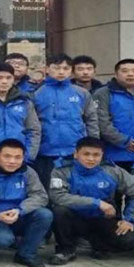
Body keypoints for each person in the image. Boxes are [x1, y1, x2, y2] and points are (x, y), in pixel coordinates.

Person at [46, 137, 134, 265]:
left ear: (102, 156)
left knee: (132, 242)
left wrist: (130, 219)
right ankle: (66, 249)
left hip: (103, 218)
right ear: (76, 154)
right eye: (86, 154)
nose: (91, 159)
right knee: (59, 210)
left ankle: (99, 245)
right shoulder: (62, 170)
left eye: (96, 155)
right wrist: (97, 203)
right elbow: (58, 196)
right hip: (75, 218)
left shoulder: (113, 171)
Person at [0, 139, 52, 267]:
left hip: (18, 215)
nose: (12, 161)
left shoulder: (28, 172)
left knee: (45, 214)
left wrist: (20, 210)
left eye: (17, 157)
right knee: (4, 240)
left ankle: (26, 254)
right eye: (7, 156)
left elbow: (40, 196)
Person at [31, 54, 100, 192]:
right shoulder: (37, 93)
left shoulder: (81, 93)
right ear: (47, 69)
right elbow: (31, 124)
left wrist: (93, 144)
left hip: (75, 150)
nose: (61, 72)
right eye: (56, 68)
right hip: (46, 151)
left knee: (77, 189)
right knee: (49, 189)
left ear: (71, 71)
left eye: (66, 68)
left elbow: (91, 120)